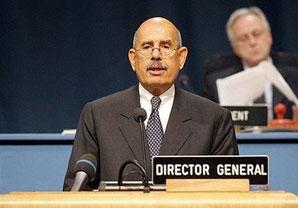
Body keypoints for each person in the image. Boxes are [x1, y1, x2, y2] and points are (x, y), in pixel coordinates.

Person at [63, 17, 238, 191]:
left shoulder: (214, 118)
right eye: (147, 47)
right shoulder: (98, 115)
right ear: (133, 58)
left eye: (165, 46)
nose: (156, 55)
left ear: (181, 57)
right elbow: (75, 190)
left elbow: (229, 195)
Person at [203, 6, 298, 119]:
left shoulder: (297, 75)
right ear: (234, 46)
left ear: (269, 36)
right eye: (243, 38)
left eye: (257, 34)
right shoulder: (217, 83)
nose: (252, 42)